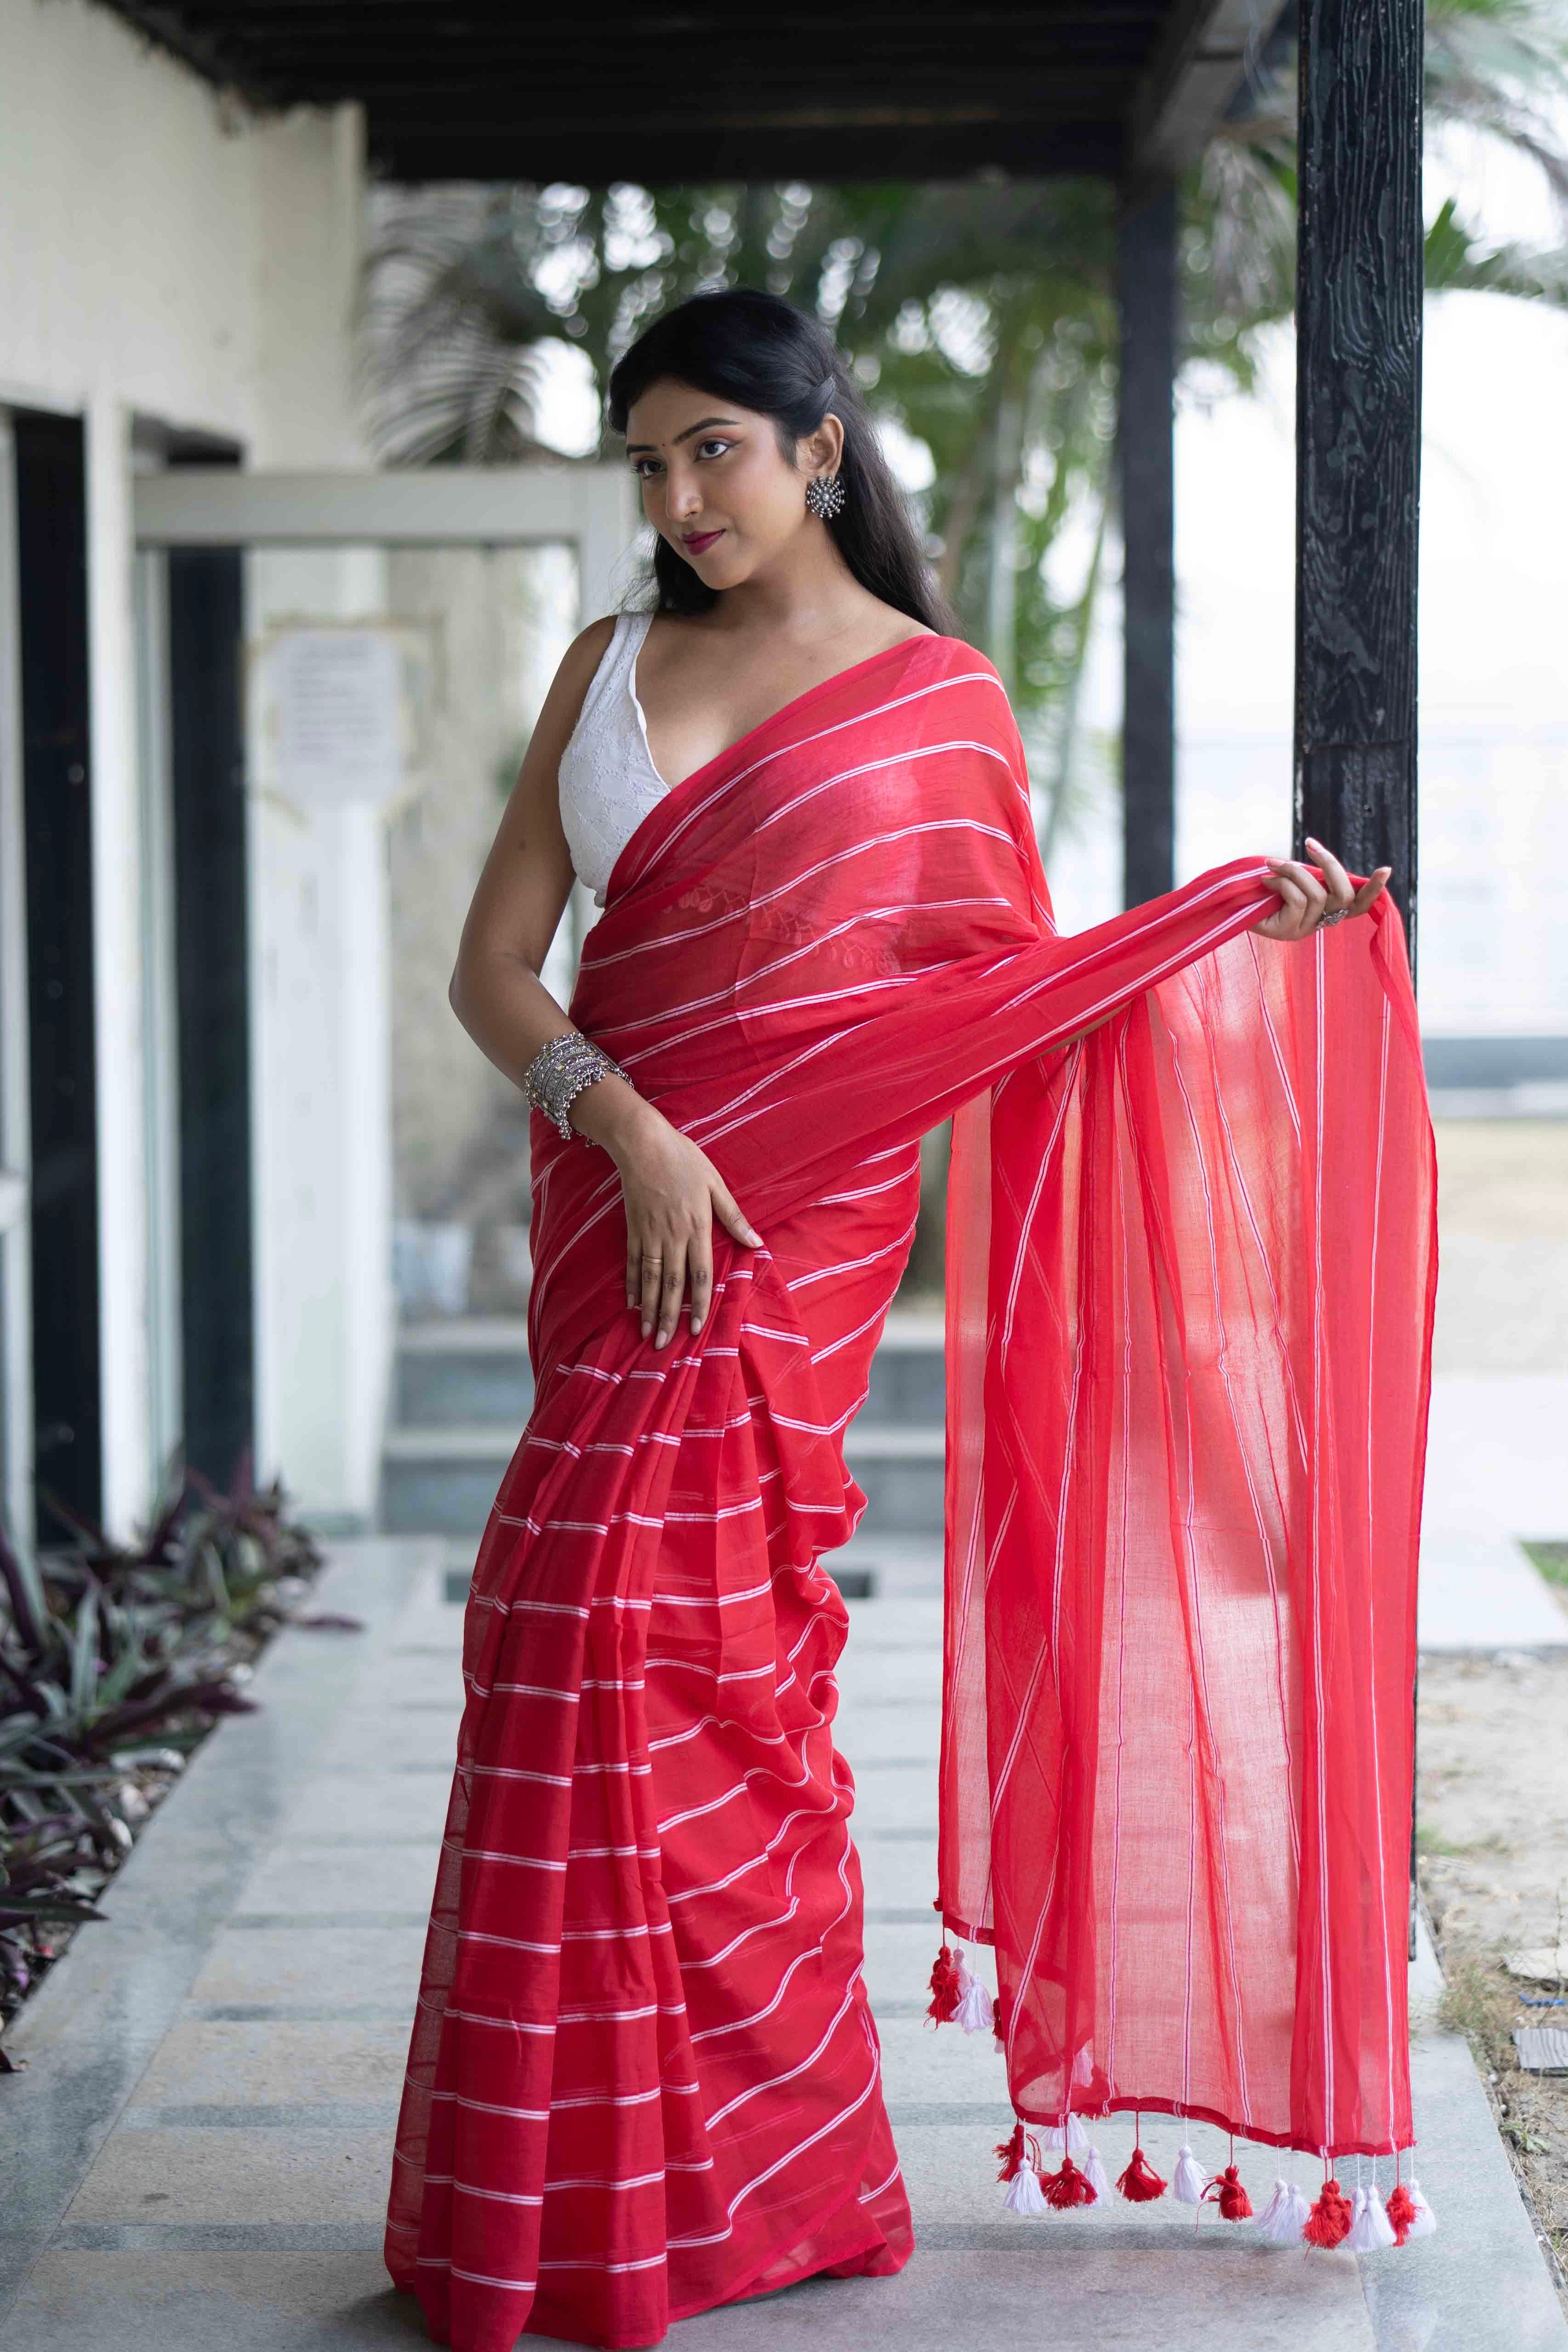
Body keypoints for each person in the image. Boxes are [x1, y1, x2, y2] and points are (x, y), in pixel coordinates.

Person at [385, 289, 1426, 2351]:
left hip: (790, 1245)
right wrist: (629, 1125)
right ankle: (577, 2201)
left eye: (716, 451)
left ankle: (745, 2188)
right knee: (558, 1640)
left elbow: (1003, 1007)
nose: (682, 500)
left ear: (819, 450)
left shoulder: (939, 706)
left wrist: (1238, 926)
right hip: (623, 1207)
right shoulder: (603, 667)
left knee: (681, 1667)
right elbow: (496, 970)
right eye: (651, 463)